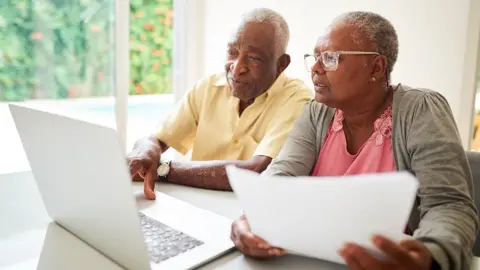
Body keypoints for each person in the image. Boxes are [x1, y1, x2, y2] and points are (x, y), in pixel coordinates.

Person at [230, 11, 479, 270]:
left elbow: (448, 204)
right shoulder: (317, 112)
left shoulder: (420, 110)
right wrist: (249, 220)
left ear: (376, 67)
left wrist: (427, 257)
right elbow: (281, 176)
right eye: (315, 58)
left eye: (330, 58)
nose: (315, 68)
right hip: (315, 258)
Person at [127, 8, 313, 199]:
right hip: (195, 204)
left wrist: (164, 170)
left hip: (248, 216)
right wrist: (146, 152)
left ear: (281, 64)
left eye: (254, 58)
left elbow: (258, 170)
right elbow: (157, 139)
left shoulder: (298, 100)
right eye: (232, 52)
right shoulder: (209, 86)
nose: (237, 67)